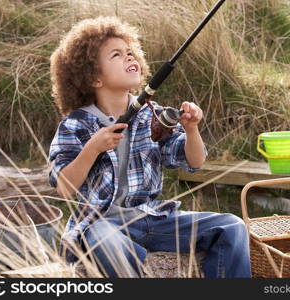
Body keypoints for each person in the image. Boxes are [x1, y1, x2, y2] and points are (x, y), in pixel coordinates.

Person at [48, 16, 251, 278]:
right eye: (117, 55)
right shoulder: (75, 124)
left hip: (154, 218)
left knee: (232, 227)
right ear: (94, 78)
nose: (129, 58)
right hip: (103, 223)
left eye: (130, 52)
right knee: (104, 240)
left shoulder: (151, 114)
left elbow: (194, 161)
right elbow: (64, 186)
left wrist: (191, 129)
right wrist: (93, 148)